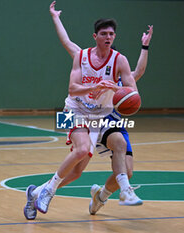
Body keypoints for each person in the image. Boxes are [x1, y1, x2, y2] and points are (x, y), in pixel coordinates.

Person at [46, 1, 153, 215]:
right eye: (103, 33)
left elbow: (138, 73)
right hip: (76, 110)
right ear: (96, 36)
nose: (108, 37)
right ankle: (46, 190)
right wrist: (56, 17)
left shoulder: (120, 68)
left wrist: (145, 46)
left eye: (111, 34)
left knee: (122, 170)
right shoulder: (83, 56)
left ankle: (101, 196)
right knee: (80, 159)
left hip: (105, 118)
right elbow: (67, 42)